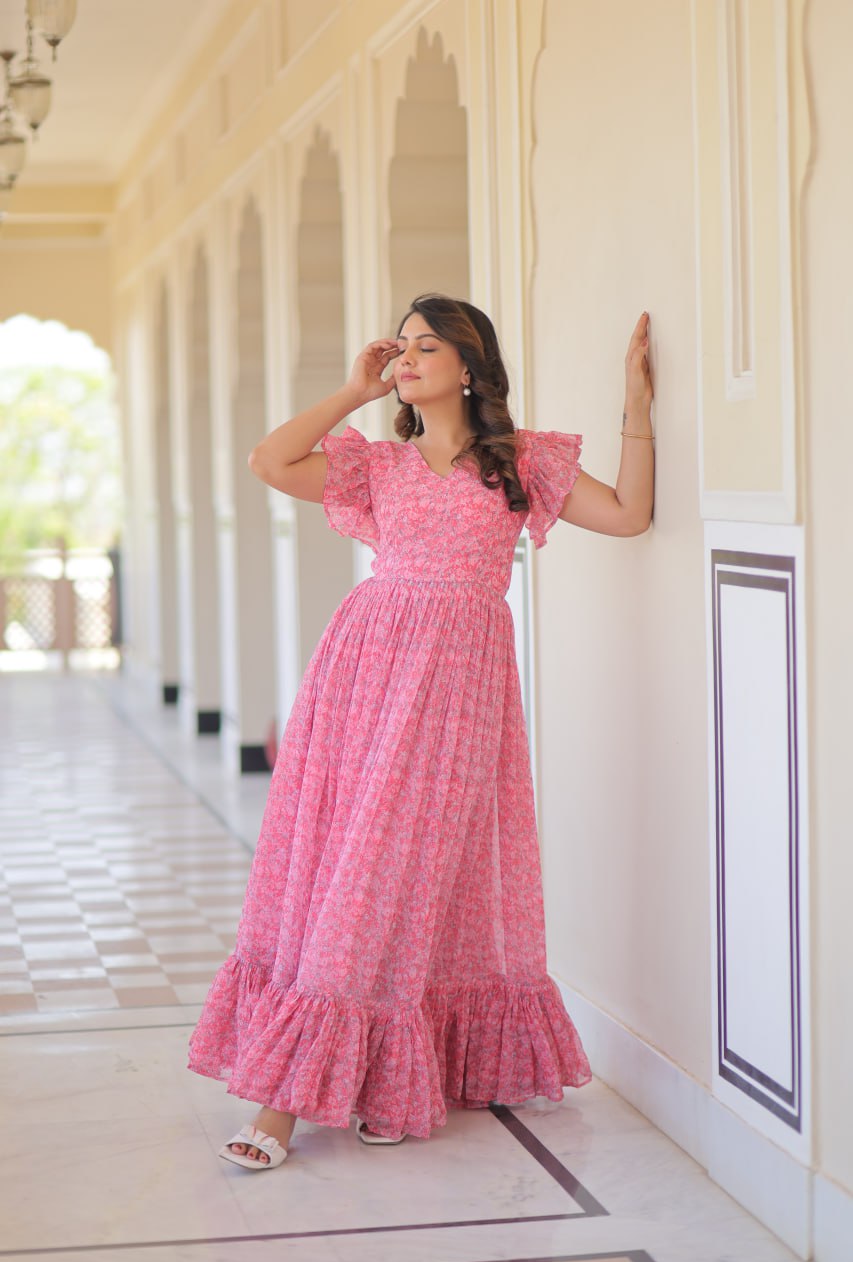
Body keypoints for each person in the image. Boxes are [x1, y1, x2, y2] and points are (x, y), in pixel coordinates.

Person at [188, 293, 655, 1169]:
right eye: (399, 346)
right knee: (356, 865)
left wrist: (634, 406)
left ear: (470, 367)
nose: (404, 359)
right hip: (365, 671)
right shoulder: (377, 465)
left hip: (460, 687)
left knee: (418, 873)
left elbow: (629, 514)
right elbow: (268, 460)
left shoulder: (522, 462)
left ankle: (382, 1079)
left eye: (425, 346)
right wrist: (353, 392)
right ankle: (284, 1103)